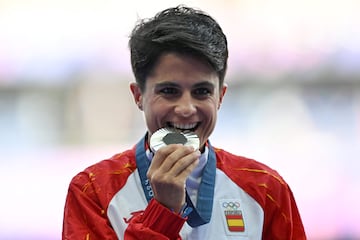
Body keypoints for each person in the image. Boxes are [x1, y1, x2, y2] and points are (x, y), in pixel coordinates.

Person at [62, 5, 306, 240]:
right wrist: (162, 212)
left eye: (201, 92)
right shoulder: (92, 190)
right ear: (138, 96)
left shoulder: (267, 189)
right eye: (169, 91)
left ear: (220, 97)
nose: (186, 109)